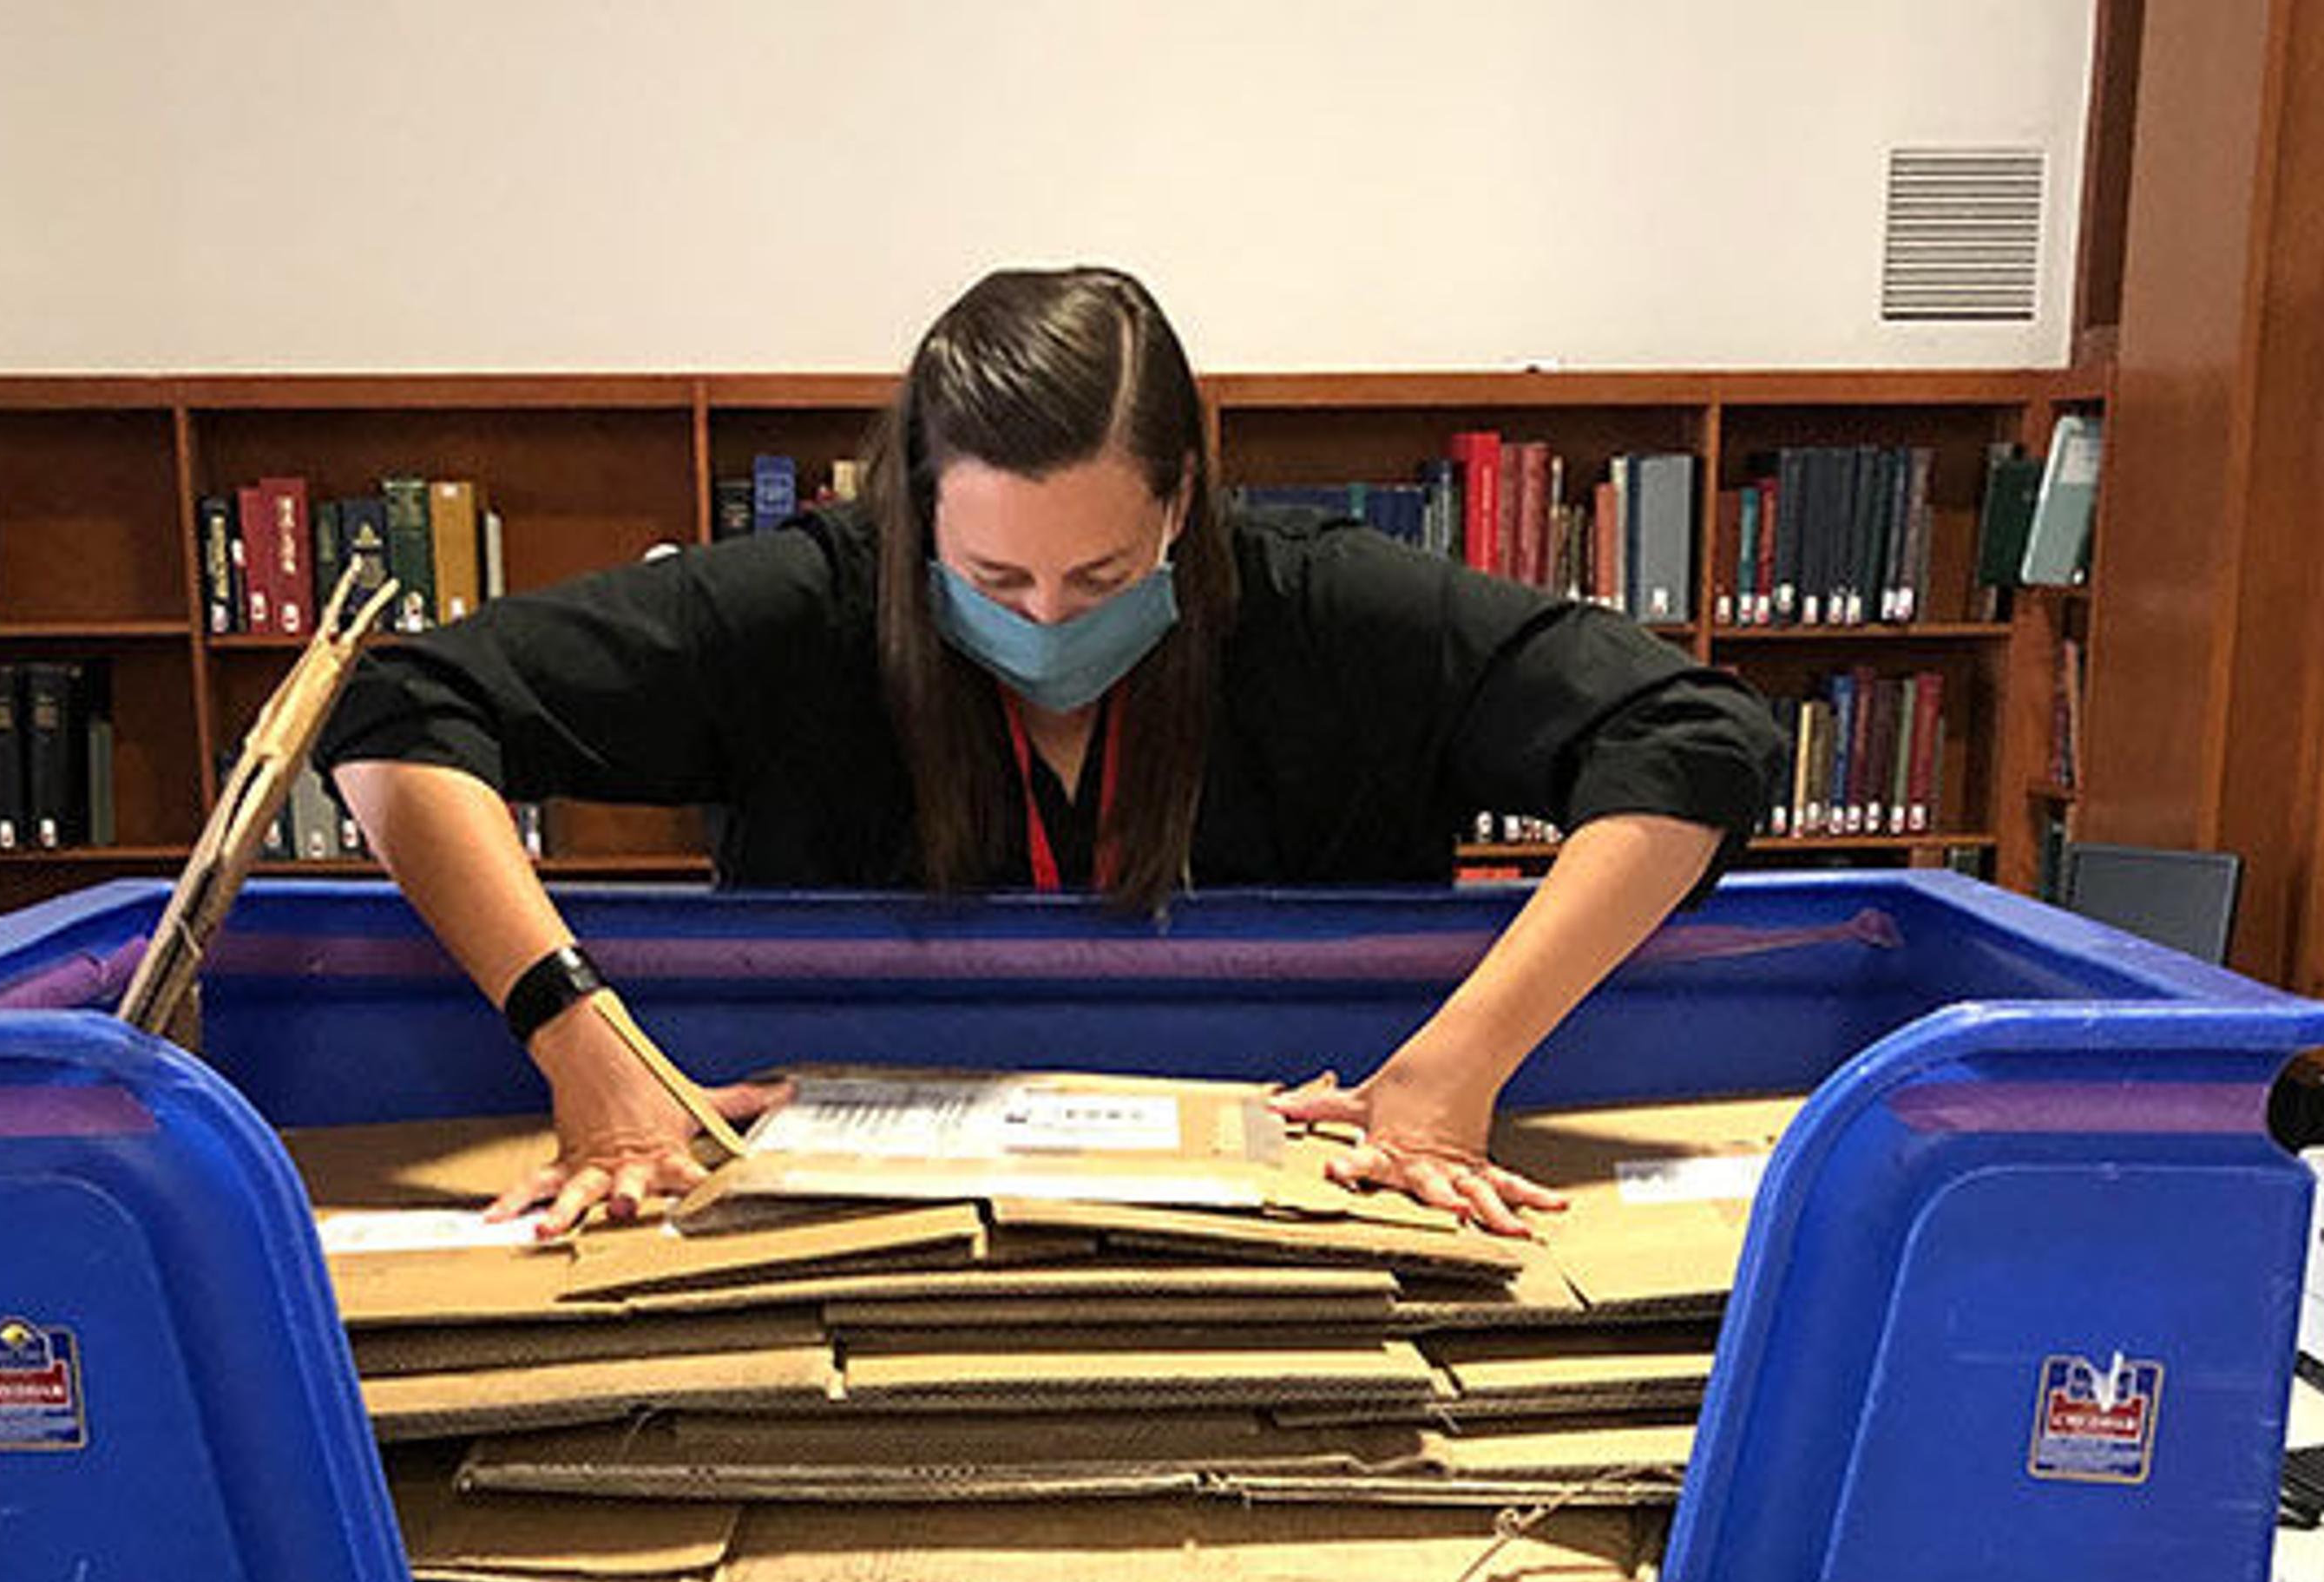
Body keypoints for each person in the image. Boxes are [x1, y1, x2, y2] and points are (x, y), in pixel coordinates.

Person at [322, 265, 1782, 1237]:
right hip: (872, 1228)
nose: (1044, 622)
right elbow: (398, 716)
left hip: (1295, 1202)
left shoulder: (1327, 610)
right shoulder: (808, 608)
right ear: (917, 519)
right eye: (994, 581)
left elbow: (1694, 739)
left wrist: (1459, 1066)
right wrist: (582, 1038)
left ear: (1182, 510)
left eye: (1098, 579)